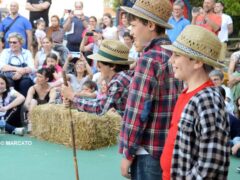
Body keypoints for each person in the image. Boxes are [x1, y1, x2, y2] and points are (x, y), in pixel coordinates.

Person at [120, 0, 182, 179]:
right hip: (167, 147)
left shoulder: (148, 59)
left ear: (150, 24)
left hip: (147, 150)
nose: (131, 32)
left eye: (133, 25)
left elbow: (138, 111)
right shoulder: (172, 54)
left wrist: (128, 152)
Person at [161, 25, 230, 179]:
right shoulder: (187, 94)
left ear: (197, 62)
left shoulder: (206, 100)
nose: (171, 60)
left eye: (177, 55)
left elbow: (210, 164)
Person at [61, 39, 134, 116]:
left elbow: (100, 109)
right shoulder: (122, 76)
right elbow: (101, 103)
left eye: (99, 65)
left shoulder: (118, 81)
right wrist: (75, 103)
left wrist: (71, 96)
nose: (98, 68)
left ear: (112, 66)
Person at [0, 32, 34, 96]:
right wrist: (18, 69)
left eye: (14, 42)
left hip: (24, 76)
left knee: (25, 82)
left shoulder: (27, 52)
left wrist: (21, 73)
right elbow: (2, 66)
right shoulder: (5, 52)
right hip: (8, 76)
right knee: (8, 82)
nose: (12, 44)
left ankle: (23, 103)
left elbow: (32, 68)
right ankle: (10, 103)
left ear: (21, 43)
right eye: (10, 42)